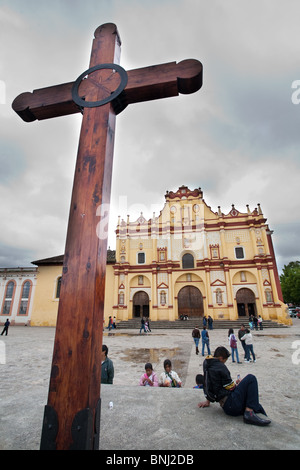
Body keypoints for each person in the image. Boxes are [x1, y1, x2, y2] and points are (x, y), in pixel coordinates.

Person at [197, 346, 271, 426]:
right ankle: (249, 414)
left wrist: (208, 401)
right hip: (231, 404)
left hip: (225, 406)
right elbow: (231, 387)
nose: (225, 362)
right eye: (225, 360)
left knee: (256, 405)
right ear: (221, 358)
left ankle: (259, 416)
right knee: (251, 378)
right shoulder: (221, 367)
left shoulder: (207, 363)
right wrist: (240, 384)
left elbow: (208, 382)